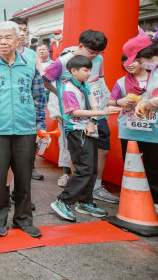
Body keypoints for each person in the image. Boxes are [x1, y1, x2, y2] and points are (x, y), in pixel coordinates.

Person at [0, 21, 47, 238]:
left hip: (26, 130)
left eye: (7, 38)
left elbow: (39, 96)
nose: (3, 42)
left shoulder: (29, 63)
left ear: (18, 40)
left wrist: (40, 126)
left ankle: (23, 219)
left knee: (24, 178)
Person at [42, 30, 117, 202]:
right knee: (79, 154)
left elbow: (99, 81)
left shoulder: (99, 59)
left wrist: (105, 104)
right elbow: (45, 79)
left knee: (102, 148)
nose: (95, 56)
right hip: (75, 117)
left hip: (95, 111)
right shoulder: (62, 62)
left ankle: (95, 188)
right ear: (81, 46)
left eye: (99, 52)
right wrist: (59, 97)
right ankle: (75, 195)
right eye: (92, 52)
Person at [51, 56, 120, 222]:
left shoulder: (85, 85)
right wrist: (101, 113)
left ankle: (85, 202)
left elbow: (94, 104)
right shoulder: (68, 88)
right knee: (84, 169)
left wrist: (93, 120)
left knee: (91, 169)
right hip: (76, 131)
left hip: (89, 130)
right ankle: (63, 201)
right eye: (85, 70)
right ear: (74, 71)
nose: (89, 73)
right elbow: (74, 111)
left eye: (90, 69)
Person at [112, 35, 158, 210]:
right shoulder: (122, 82)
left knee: (154, 167)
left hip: (153, 131)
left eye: (138, 60)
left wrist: (152, 102)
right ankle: (138, 204)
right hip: (131, 130)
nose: (136, 64)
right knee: (133, 166)